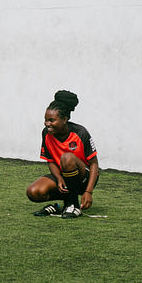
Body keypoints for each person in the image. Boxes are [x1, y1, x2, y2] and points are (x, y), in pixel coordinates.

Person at [26, 90, 98, 218]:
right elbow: (51, 160)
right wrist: (59, 178)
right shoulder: (46, 133)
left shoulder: (80, 132)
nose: (47, 124)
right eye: (46, 120)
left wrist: (88, 191)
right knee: (33, 192)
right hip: (64, 175)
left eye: (52, 120)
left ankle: (73, 205)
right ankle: (61, 206)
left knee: (67, 157)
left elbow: (94, 165)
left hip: (84, 178)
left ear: (64, 119)